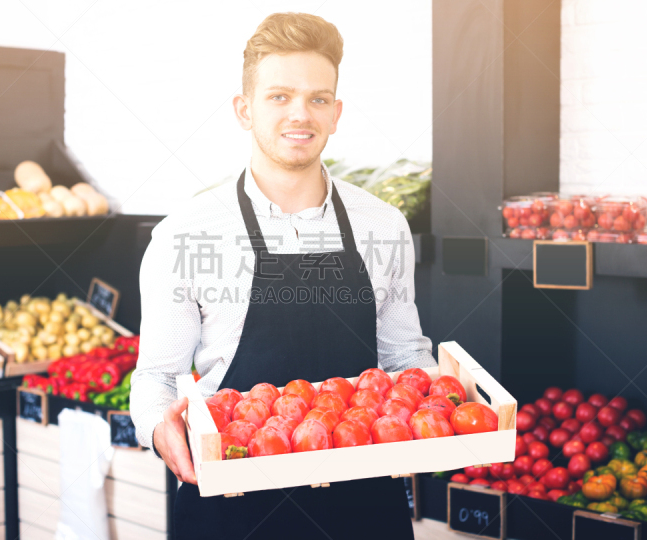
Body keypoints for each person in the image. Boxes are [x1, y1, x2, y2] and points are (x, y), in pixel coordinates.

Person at [131, 12, 434, 540]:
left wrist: (442, 408)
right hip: (230, 501)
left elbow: (405, 358)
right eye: (279, 96)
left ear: (336, 113)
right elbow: (157, 375)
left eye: (318, 98)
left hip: (362, 503)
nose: (301, 114)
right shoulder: (185, 234)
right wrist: (161, 430)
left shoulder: (382, 226)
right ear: (243, 109)